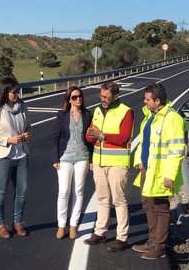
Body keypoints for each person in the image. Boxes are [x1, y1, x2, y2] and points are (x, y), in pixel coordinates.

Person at [132, 83, 187, 260]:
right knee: (148, 205)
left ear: (157, 100)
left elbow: (177, 150)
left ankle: (160, 246)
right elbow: (145, 142)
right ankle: (152, 241)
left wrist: (169, 175)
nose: (144, 102)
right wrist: (140, 162)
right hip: (148, 170)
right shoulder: (151, 116)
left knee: (161, 208)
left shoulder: (172, 119)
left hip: (162, 173)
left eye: (147, 99)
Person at [83, 81, 134, 252]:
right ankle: (100, 232)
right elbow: (91, 136)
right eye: (101, 96)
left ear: (116, 96)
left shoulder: (126, 112)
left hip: (117, 164)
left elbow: (124, 138)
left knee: (119, 200)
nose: (102, 99)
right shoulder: (97, 111)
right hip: (99, 163)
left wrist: (102, 135)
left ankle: (121, 237)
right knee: (102, 199)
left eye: (106, 96)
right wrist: (91, 135)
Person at [0, 76, 31, 239]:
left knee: (22, 191)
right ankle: (0, 224)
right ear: (5, 92)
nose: (17, 93)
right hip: (1, 157)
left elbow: (28, 126)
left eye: (18, 90)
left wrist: (26, 134)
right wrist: (8, 140)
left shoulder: (22, 106)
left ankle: (18, 222)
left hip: (22, 154)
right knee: (1, 191)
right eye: (13, 91)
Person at [51, 86, 93, 240]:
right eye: (74, 97)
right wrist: (55, 159)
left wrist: (92, 159)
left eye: (80, 96)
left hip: (82, 156)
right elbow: (55, 137)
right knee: (63, 192)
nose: (78, 99)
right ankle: (61, 225)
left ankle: (74, 225)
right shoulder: (62, 115)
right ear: (69, 100)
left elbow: (91, 140)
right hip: (65, 157)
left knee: (79, 191)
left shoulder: (88, 114)